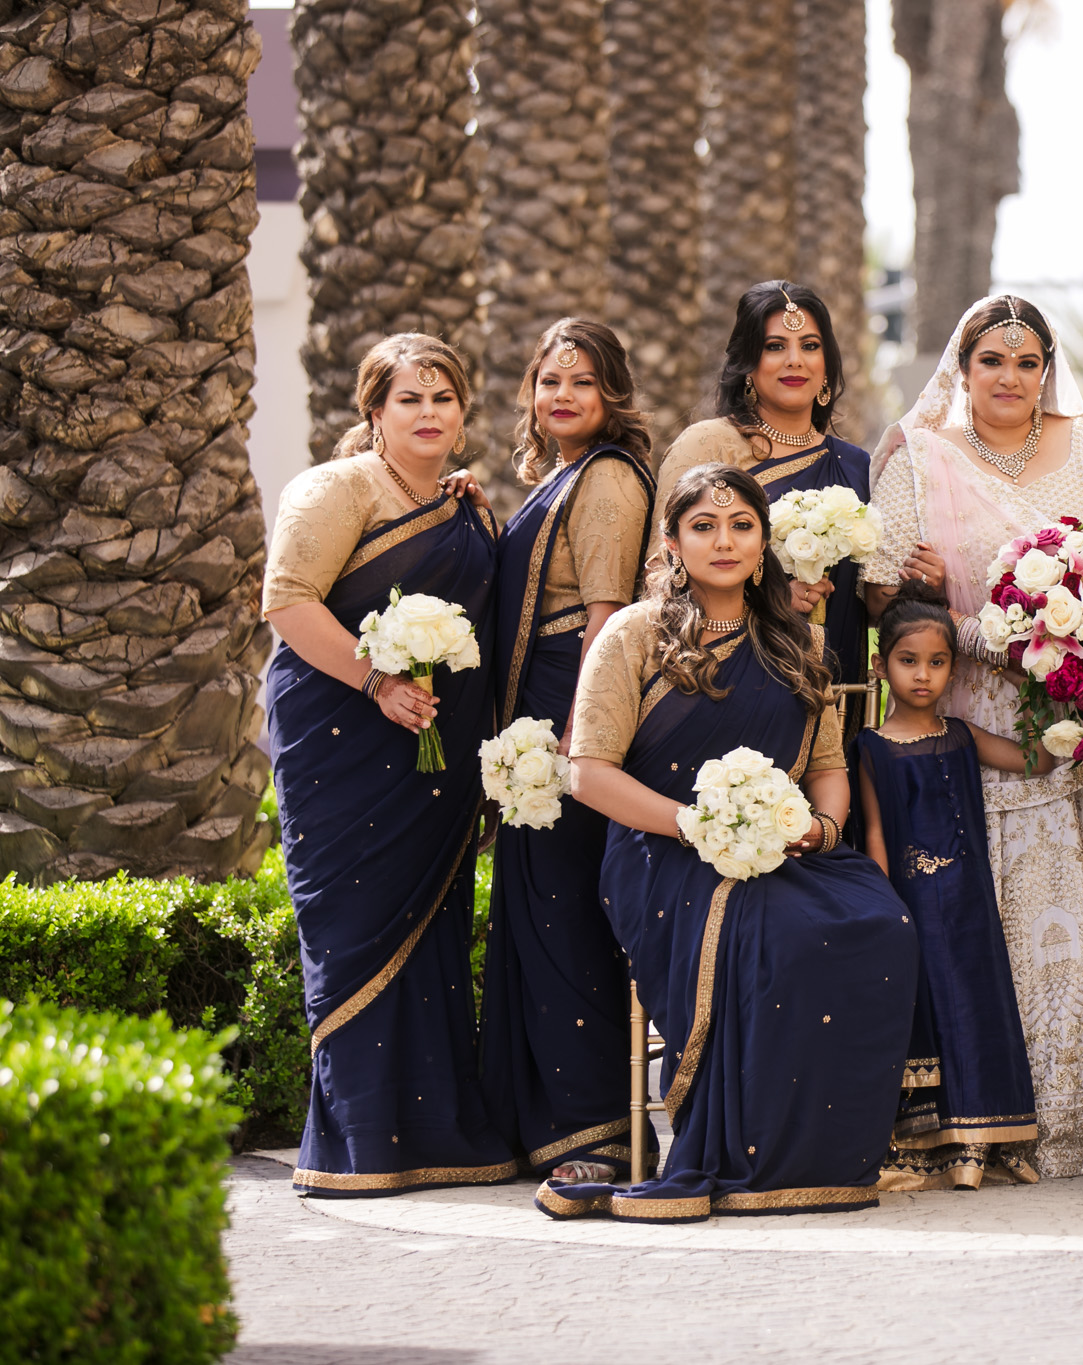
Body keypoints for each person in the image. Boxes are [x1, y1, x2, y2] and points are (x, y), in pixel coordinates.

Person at [862, 294, 1083, 1178]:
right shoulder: (917, 459)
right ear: (961, 369)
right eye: (991, 361)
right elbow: (881, 596)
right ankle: (1025, 1118)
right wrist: (990, 633)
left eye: (1026, 362)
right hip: (989, 723)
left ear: (1047, 371)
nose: (1009, 378)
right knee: (1022, 915)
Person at [536, 464, 919, 1223]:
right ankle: (748, 1151)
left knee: (879, 922)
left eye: (741, 524)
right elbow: (587, 773)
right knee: (778, 933)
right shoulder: (633, 634)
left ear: (763, 540)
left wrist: (822, 828)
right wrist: (694, 823)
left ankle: (822, 1154)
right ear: (672, 541)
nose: (724, 539)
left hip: (783, 849)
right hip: (661, 853)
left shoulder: (798, 639)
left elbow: (830, 767)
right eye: (703, 526)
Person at [264, 334, 516, 1197]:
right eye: (411, 398)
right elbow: (286, 601)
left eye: (444, 397)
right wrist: (375, 680)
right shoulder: (337, 488)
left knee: (434, 924)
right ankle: (358, 1142)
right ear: (374, 411)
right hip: (344, 740)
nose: (430, 413)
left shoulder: (462, 501)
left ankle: (440, 1134)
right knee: (354, 926)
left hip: (429, 753)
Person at [475, 319, 655, 1183]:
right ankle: (545, 1121)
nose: (563, 396)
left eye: (581, 382)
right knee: (536, 910)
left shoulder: (610, 478)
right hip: (535, 708)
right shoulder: (558, 477)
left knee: (566, 917)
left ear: (611, 393)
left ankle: (592, 1134)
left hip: (566, 708)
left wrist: (576, 729)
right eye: (550, 380)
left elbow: (604, 617)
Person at [857, 584, 1042, 1190]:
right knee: (931, 1012)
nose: (923, 675)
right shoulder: (871, 747)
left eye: (938, 663)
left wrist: (1056, 685)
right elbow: (877, 830)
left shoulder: (962, 735)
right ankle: (930, 1146)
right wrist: (886, 903)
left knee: (981, 1005)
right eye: (908, 661)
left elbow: (1034, 760)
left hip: (971, 903)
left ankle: (992, 1139)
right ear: (880, 664)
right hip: (913, 903)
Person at [657, 280, 871, 719]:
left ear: (827, 364)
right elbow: (662, 571)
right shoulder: (710, 446)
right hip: (721, 683)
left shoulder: (856, 466)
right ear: (748, 364)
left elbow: (869, 595)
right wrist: (771, 600)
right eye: (775, 346)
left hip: (836, 690)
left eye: (809, 345)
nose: (795, 360)